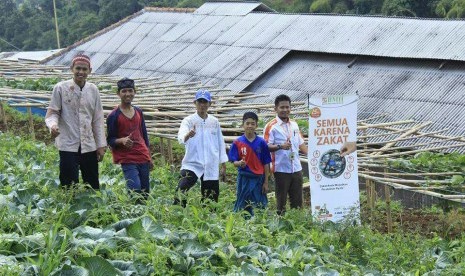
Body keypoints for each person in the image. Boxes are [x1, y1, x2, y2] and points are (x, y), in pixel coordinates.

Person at [45, 53, 106, 189]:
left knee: (92, 182)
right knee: (68, 182)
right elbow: (53, 112)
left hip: (88, 143)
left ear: (89, 71)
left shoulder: (93, 90)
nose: (81, 72)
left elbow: (97, 119)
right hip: (68, 142)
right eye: (78, 68)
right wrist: (53, 125)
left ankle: (92, 207)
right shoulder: (60, 88)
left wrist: (101, 145)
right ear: (71, 68)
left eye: (84, 69)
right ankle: (69, 206)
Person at [173, 89, 228, 207]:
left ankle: (208, 219)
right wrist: (188, 135)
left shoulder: (214, 122)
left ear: (210, 104)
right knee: (181, 188)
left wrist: (223, 164)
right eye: (200, 102)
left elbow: (220, 142)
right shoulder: (189, 120)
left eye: (205, 102)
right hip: (192, 162)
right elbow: (181, 137)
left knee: (210, 197)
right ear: (195, 103)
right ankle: (178, 212)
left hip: (210, 163)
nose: (202, 105)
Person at [106, 78, 152, 200]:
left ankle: (142, 214)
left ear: (134, 92)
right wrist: (121, 141)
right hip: (127, 158)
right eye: (124, 91)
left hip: (142, 155)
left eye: (130, 91)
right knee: (135, 189)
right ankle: (134, 214)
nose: (128, 94)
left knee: (145, 191)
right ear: (118, 93)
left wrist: (149, 156)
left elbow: (144, 135)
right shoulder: (113, 116)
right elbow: (110, 140)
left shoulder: (138, 112)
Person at [263, 94, 308, 215]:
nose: (285, 110)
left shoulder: (294, 124)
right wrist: (280, 146)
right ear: (276, 109)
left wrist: (314, 156)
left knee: (297, 200)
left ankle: (297, 223)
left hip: (296, 168)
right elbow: (265, 146)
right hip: (281, 169)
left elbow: (301, 143)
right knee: (281, 201)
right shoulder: (271, 127)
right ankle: (281, 225)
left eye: (287, 107)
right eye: (282, 107)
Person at [229, 112, 271, 217]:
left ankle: (258, 223)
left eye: (253, 123)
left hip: (258, 179)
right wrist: (239, 163)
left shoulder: (262, 143)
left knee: (259, 203)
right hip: (244, 178)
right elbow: (233, 161)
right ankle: (242, 224)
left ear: (256, 125)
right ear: (243, 125)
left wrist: (266, 182)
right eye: (247, 123)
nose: (250, 126)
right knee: (242, 201)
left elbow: (266, 163)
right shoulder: (237, 142)